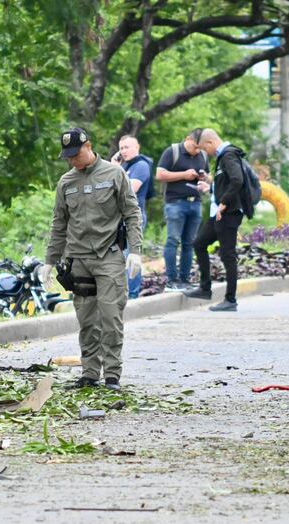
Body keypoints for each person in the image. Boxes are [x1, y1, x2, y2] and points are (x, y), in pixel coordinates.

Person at [39, 128, 143, 391]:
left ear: (89, 146)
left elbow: (132, 212)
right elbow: (59, 222)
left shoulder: (114, 173)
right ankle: (89, 374)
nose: (73, 160)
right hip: (79, 260)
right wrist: (50, 260)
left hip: (108, 256)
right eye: (68, 157)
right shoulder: (66, 182)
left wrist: (136, 252)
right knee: (87, 320)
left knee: (110, 317)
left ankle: (112, 376)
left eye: (76, 154)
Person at [185, 129, 246, 312]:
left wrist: (224, 203)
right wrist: (210, 187)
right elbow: (226, 183)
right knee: (199, 243)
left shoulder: (228, 155)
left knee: (228, 255)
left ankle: (230, 300)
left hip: (228, 213)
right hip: (217, 214)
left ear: (210, 143)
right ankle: (205, 288)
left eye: (205, 148)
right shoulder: (223, 158)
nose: (206, 152)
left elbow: (237, 180)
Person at [156, 128, 210, 291]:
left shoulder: (203, 155)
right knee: (173, 240)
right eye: (195, 146)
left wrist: (205, 177)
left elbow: (209, 174)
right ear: (188, 139)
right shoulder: (172, 151)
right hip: (175, 203)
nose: (197, 150)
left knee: (190, 243)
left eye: (200, 147)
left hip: (196, 203)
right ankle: (172, 280)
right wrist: (183, 175)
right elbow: (160, 174)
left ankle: (185, 279)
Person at [112, 135, 153, 298]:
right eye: (121, 148)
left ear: (137, 147)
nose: (123, 151)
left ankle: (133, 295)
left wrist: (116, 169)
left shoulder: (141, 165)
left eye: (127, 147)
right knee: (120, 256)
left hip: (135, 216)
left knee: (132, 256)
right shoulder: (124, 166)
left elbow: (130, 189)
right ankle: (122, 293)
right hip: (120, 217)